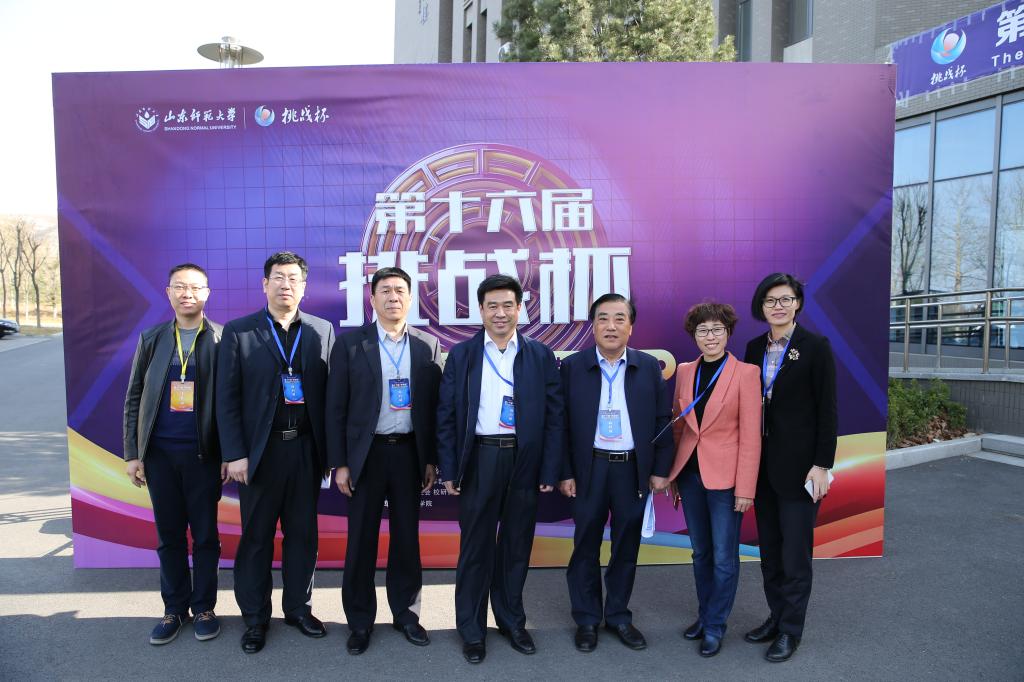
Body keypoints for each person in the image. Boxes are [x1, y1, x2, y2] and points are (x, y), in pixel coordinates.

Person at [436, 274, 563, 665]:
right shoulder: (463, 355)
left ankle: (512, 622)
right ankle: (472, 630)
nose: (501, 313)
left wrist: (549, 469)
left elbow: (555, 417)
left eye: (508, 305)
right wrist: (449, 469)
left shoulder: (539, 355)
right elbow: (446, 415)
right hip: (480, 458)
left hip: (523, 459)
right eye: (492, 306)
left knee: (516, 546)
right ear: (481, 310)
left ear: (520, 308)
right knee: (475, 548)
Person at [216, 252, 336, 654]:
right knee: (257, 538)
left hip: (305, 450)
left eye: (294, 279)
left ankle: (299, 609)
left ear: (304, 287)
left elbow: (332, 398)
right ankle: (255, 618)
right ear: (264, 284)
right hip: (259, 455)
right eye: (279, 278)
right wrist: (235, 453)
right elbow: (226, 399)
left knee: (303, 535)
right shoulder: (240, 332)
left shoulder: (321, 330)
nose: (286, 285)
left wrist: (331, 455)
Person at [326, 267, 442, 655]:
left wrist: (430, 459)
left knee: (407, 538)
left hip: (409, 454)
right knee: (361, 539)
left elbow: (433, 409)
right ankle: (359, 621)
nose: (393, 297)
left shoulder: (427, 344)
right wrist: (340, 463)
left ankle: (406, 614)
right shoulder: (350, 344)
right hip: (366, 455)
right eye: (385, 291)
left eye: (400, 291)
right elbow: (335, 407)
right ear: (372, 299)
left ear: (410, 298)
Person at [559, 293, 673, 653]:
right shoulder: (573, 367)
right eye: (603, 318)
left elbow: (662, 421)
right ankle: (587, 619)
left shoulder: (647, 367)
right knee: (585, 546)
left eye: (619, 318)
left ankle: (619, 615)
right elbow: (559, 424)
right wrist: (565, 471)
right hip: (589, 469)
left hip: (631, 469)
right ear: (592, 326)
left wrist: (660, 469)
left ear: (631, 327)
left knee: (626, 546)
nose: (611, 326)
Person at [123, 263, 225, 645]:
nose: (188, 294)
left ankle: (204, 608)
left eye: (195, 287)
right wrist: (133, 453)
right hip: (160, 456)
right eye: (180, 287)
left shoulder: (221, 339)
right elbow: (134, 396)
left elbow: (231, 403)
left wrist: (229, 454)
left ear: (207, 293)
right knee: (169, 536)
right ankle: (174, 609)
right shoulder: (152, 338)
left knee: (205, 536)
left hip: (204, 456)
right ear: (168, 293)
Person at [742, 273, 837, 663]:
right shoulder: (753, 348)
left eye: (785, 299)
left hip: (800, 470)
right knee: (770, 553)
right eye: (770, 301)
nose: (777, 306)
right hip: (760, 468)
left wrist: (822, 465)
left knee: (795, 556)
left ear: (797, 303)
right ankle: (776, 617)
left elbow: (828, 410)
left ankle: (791, 631)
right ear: (761, 307)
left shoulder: (815, 347)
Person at [666, 302, 761, 657]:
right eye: (703, 330)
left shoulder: (746, 373)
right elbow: (679, 426)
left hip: (726, 480)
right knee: (700, 553)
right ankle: (705, 615)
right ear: (694, 335)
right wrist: (674, 474)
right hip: (690, 475)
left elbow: (751, 436)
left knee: (723, 557)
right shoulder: (685, 371)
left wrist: (745, 488)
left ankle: (716, 625)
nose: (710, 336)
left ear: (728, 333)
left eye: (717, 329)